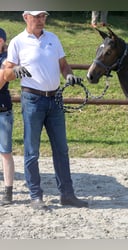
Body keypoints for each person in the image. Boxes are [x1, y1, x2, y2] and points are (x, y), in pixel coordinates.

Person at [5, 11, 88, 210]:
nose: (40, 20)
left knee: (62, 149)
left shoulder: (53, 38)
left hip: (55, 100)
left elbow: (64, 65)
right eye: (36, 16)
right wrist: (14, 71)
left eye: (43, 16)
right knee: (32, 151)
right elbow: (6, 73)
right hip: (32, 100)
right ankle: (35, 196)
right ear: (26, 17)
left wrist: (69, 76)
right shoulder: (17, 42)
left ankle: (67, 194)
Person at [0, 28, 31, 206]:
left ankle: (8, 192)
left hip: (2, 111)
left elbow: (1, 81)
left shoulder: (7, 61)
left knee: (5, 152)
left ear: (3, 41)